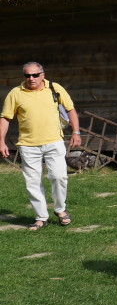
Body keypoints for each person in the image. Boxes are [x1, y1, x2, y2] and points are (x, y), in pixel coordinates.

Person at [0, 62, 82, 230]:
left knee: (59, 177)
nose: (31, 78)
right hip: (28, 145)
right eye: (27, 75)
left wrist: (76, 132)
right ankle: (40, 217)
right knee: (32, 182)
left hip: (54, 142)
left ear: (42, 75)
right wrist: (1, 141)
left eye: (35, 75)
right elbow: (5, 118)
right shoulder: (15, 93)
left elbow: (71, 110)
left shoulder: (55, 88)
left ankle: (60, 210)